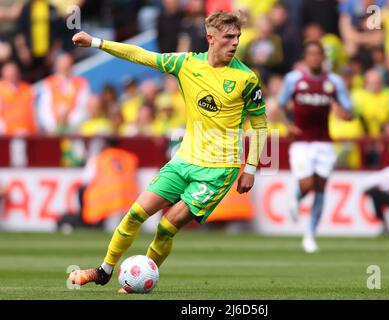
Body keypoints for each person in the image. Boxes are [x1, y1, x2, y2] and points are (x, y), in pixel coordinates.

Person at [68, 10, 267, 292]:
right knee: (135, 213)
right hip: (184, 160)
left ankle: (137, 281)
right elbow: (140, 55)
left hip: (218, 170)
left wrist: (250, 168)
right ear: (211, 38)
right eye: (228, 36)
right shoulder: (186, 64)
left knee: (166, 226)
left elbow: (260, 125)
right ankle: (104, 271)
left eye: (237, 36)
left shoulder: (246, 79)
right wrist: (98, 42)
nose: (234, 42)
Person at [276, 41, 353, 253]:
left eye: (318, 54)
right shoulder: (294, 79)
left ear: (323, 58)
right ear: (306, 57)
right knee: (308, 183)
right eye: (311, 54)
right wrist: (287, 124)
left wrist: (345, 113)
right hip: (301, 142)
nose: (315, 58)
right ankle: (296, 197)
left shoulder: (333, 82)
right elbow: (279, 104)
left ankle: (310, 234)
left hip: (324, 142)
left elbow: (349, 108)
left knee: (320, 187)